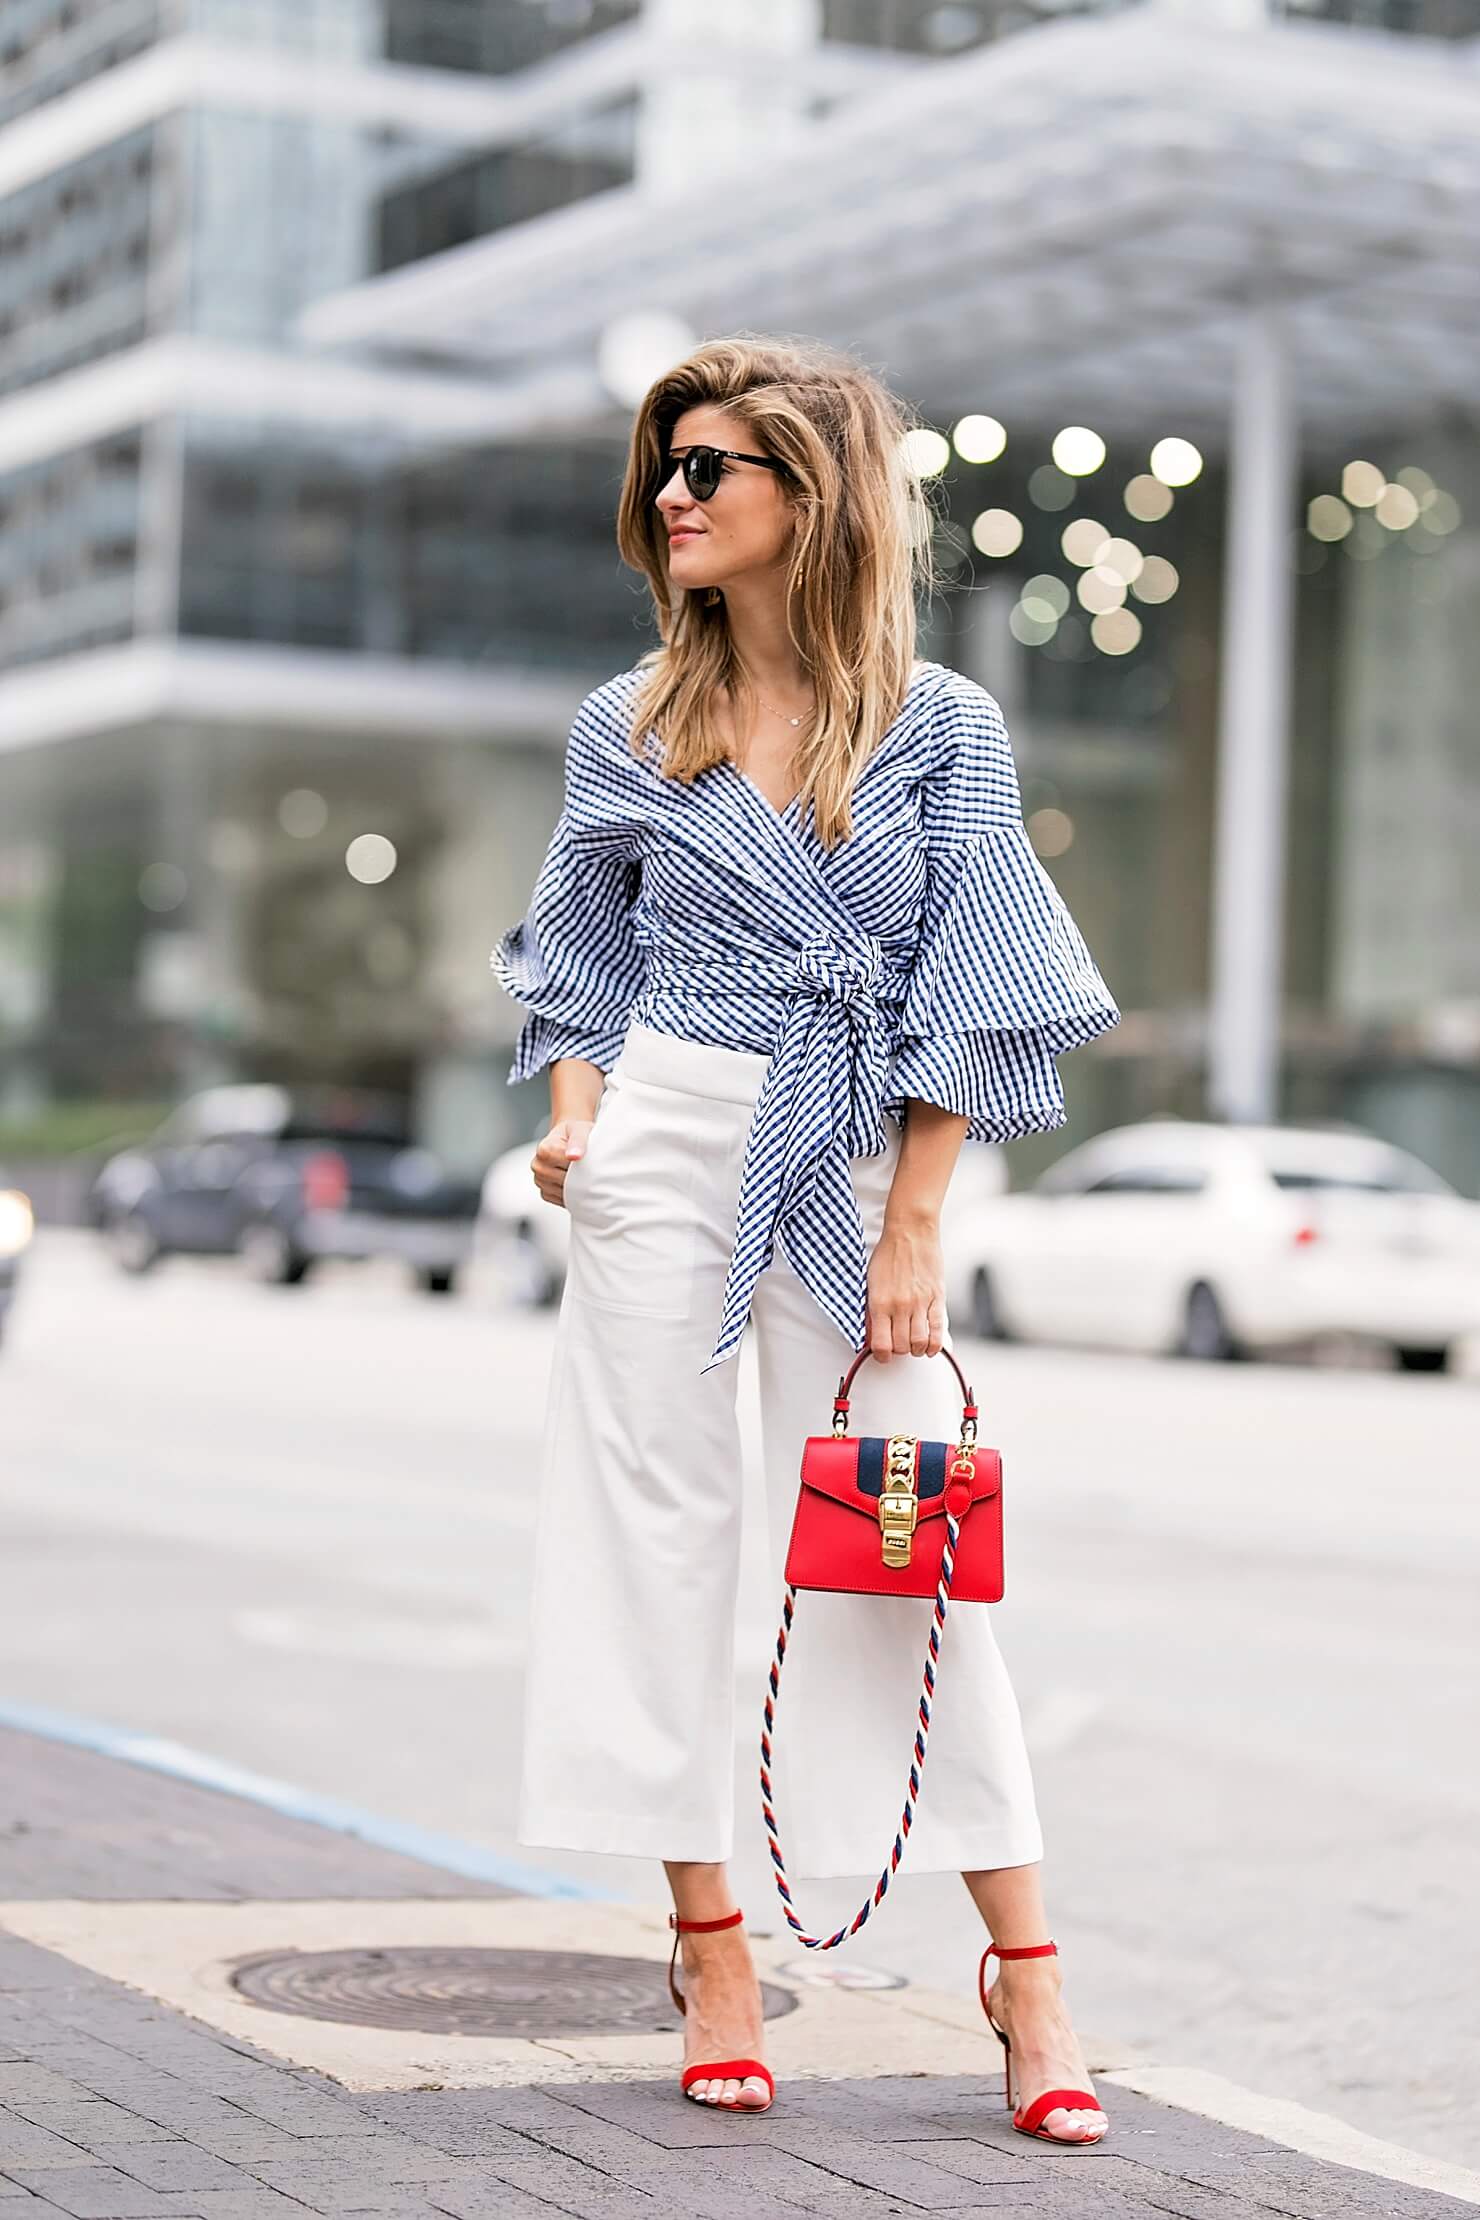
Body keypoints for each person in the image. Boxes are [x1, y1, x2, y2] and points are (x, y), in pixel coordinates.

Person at [490, 337, 1121, 2144]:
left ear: (812, 497)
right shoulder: (631, 719)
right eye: (667, 470)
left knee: (894, 1548)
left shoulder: (939, 725)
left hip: (849, 1153)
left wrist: (917, 1211)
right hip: (667, 1140)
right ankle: (711, 1943)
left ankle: (1027, 1968)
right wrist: (574, 1114)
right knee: (656, 1542)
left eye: (712, 470)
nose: (673, 500)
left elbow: (982, 971)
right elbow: (577, 950)